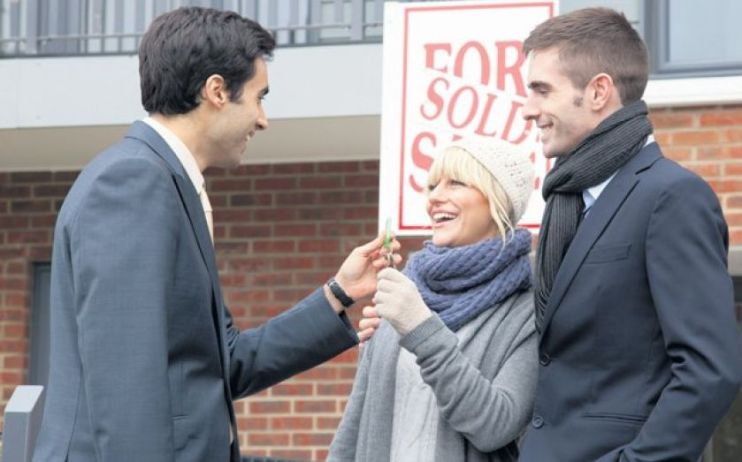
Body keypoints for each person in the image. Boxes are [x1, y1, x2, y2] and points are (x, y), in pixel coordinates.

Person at [32, 7, 400, 462]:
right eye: (259, 98)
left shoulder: (169, 184)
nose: (263, 119)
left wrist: (339, 293)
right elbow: (127, 388)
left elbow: (226, 363)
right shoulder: (133, 182)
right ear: (217, 91)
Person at [519, 7, 742, 462]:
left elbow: (708, 370)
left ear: (598, 91)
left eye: (542, 90)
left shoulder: (671, 197)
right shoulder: (566, 203)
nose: (528, 110)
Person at [328, 138, 538, 462]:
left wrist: (420, 328)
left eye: (456, 182)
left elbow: (496, 426)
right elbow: (356, 422)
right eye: (432, 186)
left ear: (499, 199)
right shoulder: (403, 293)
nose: (435, 197)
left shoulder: (527, 309)